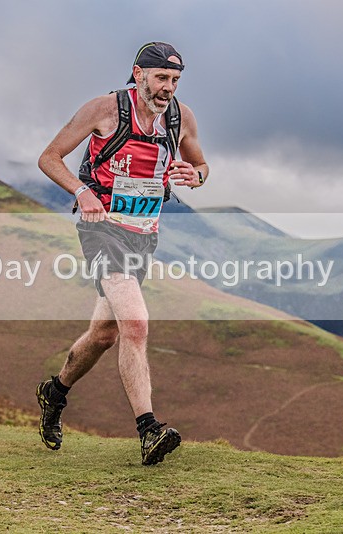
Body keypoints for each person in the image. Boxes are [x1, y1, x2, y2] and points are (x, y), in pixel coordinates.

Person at [36, 42, 209, 465]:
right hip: (102, 230)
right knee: (136, 322)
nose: (168, 88)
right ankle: (149, 429)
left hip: (144, 235)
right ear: (138, 73)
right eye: (161, 78)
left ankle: (54, 393)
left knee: (105, 334)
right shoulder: (104, 110)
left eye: (175, 81)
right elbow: (49, 157)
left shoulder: (180, 118)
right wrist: (81, 191)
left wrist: (196, 176)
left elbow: (202, 166)